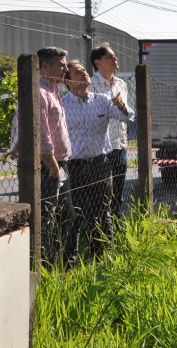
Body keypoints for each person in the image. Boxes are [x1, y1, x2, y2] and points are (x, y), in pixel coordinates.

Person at [62, 60, 134, 262]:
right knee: (74, 215)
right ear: (67, 81)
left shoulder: (102, 100)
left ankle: (101, 257)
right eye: (78, 72)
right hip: (74, 167)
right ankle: (70, 260)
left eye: (84, 70)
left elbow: (128, 118)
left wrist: (122, 107)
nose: (84, 74)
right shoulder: (63, 105)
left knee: (102, 212)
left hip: (100, 165)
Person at [10, 47, 72, 263]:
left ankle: (55, 263)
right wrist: (55, 169)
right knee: (45, 220)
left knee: (62, 218)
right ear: (44, 67)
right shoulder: (40, 93)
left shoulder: (53, 90)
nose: (66, 69)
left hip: (58, 165)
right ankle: (42, 266)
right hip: (47, 167)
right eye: (61, 65)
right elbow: (42, 138)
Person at [89, 43, 131, 217]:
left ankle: (115, 230)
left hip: (120, 145)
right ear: (98, 62)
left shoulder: (121, 84)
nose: (115, 59)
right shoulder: (91, 85)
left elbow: (128, 113)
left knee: (118, 194)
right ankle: (99, 232)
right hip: (101, 148)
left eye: (114, 57)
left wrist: (121, 107)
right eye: (109, 57)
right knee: (100, 195)